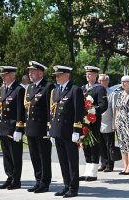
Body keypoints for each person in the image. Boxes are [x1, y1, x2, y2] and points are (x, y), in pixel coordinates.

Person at [49, 65, 84, 198]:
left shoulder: (75, 90)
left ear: (67, 75)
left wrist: (77, 130)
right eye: (56, 75)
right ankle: (66, 185)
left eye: (59, 75)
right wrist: (52, 130)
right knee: (62, 160)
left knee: (71, 161)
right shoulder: (56, 91)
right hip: (58, 131)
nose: (57, 77)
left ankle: (73, 188)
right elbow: (53, 112)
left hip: (70, 132)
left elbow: (78, 111)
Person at [24, 61, 54, 193]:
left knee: (44, 156)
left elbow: (50, 109)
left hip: (42, 127)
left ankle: (45, 182)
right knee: (34, 156)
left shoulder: (48, 86)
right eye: (29, 71)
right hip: (31, 127)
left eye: (33, 71)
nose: (30, 73)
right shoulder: (30, 88)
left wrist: (49, 127)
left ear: (40, 72)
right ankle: (38, 180)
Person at [0, 66, 25, 190]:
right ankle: (9, 177)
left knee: (15, 156)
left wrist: (19, 129)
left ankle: (16, 180)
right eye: (2, 75)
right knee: (7, 156)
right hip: (3, 128)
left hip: (13, 129)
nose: (3, 77)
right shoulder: (2, 90)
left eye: (5, 74)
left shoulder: (18, 89)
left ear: (12, 75)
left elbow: (20, 111)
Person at [80, 66, 108, 181]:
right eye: (87, 74)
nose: (88, 76)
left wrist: (92, 111)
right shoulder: (82, 88)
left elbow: (103, 105)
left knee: (93, 144)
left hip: (94, 121)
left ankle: (93, 171)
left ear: (96, 75)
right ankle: (87, 169)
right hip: (83, 121)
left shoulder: (100, 88)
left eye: (90, 74)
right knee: (85, 144)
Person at [98, 74, 115, 172]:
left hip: (108, 122)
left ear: (107, 81)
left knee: (109, 145)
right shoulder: (97, 91)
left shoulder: (112, 93)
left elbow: (114, 109)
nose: (100, 82)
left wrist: (113, 123)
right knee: (101, 145)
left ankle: (110, 165)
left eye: (102, 81)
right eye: (99, 80)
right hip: (99, 122)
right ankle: (103, 163)